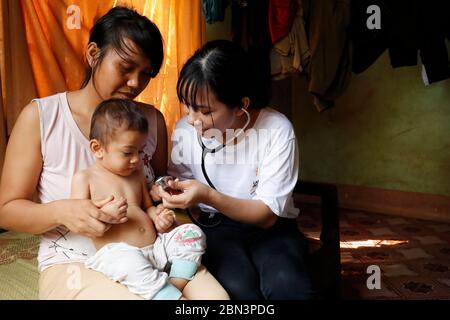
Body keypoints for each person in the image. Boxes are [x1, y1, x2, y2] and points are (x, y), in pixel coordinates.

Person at [0, 6, 228, 300]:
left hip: (153, 254)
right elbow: (6, 210)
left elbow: (154, 187)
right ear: (93, 54)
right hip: (75, 263)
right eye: (125, 67)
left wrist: (162, 197)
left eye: (146, 73)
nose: (136, 83)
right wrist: (62, 211)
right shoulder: (42, 117)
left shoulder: (152, 121)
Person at [157, 40, 313, 300]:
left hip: (270, 229)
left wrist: (207, 195)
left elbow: (267, 216)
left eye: (204, 111)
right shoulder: (187, 129)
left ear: (241, 105)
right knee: (239, 289)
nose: (192, 119)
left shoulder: (277, 130)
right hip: (215, 227)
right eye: (187, 105)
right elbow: (179, 178)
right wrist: (168, 188)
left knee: (287, 285)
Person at [72, 99, 206, 300]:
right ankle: (168, 296)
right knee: (128, 263)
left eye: (140, 151)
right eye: (128, 152)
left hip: (157, 248)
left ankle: (176, 281)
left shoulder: (137, 173)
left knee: (192, 233)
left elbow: (146, 207)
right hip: (121, 255)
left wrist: (159, 217)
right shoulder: (85, 178)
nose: (136, 159)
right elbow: (78, 221)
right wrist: (104, 216)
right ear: (97, 148)